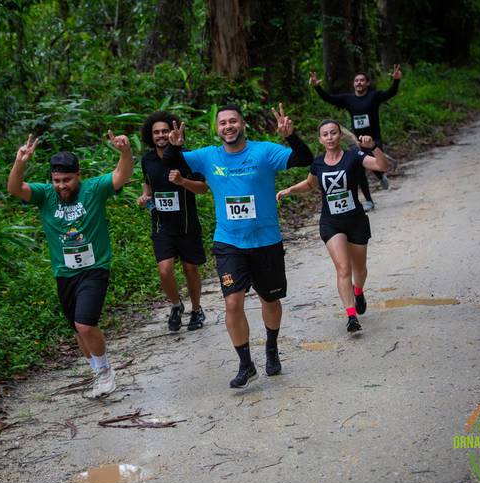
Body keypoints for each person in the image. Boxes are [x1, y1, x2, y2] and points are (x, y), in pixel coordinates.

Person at [163, 103, 313, 388]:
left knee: (270, 299)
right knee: (232, 302)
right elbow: (172, 164)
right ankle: (245, 364)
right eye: (222, 123)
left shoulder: (264, 152)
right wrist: (174, 146)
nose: (228, 127)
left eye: (233, 121)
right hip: (229, 241)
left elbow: (304, 159)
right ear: (217, 128)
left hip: (266, 240)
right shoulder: (208, 156)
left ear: (243, 124)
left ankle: (271, 348)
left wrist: (291, 136)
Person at [7, 131, 133, 398]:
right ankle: (97, 373)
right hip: (64, 272)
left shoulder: (93, 189)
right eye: (56, 181)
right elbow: (15, 188)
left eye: (67, 180)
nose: (61, 186)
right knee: (78, 329)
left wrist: (125, 152)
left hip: (94, 268)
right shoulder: (45, 195)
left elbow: (121, 175)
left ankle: (106, 371)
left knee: (85, 324)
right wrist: (20, 162)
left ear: (78, 175)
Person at [277, 120, 388, 333]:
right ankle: (351, 316)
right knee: (343, 268)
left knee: (359, 269)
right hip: (331, 223)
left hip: (355, 220)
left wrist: (373, 147)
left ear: (339, 135)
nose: (329, 137)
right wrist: (290, 190)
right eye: (325, 134)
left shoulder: (354, 156)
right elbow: (310, 184)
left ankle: (358, 291)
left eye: (333, 133)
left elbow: (382, 166)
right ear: (320, 139)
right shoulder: (318, 163)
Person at [137, 111, 209, 332]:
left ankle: (196, 310)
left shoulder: (187, 157)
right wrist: (145, 198)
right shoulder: (147, 160)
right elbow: (148, 185)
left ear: (173, 132)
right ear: (150, 135)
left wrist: (182, 181)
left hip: (186, 224)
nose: (160, 135)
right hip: (162, 225)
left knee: (190, 269)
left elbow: (203, 189)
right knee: (165, 270)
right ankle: (176, 305)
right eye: (156, 132)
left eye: (165, 131)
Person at [309, 65, 402, 211]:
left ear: (367, 83)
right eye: (356, 80)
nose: (359, 83)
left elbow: (391, 92)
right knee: (359, 170)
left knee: (375, 162)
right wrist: (317, 87)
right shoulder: (349, 99)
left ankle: (380, 176)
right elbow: (329, 98)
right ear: (353, 84)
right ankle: (369, 201)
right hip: (356, 141)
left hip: (373, 139)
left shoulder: (374, 96)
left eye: (362, 80)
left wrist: (396, 80)